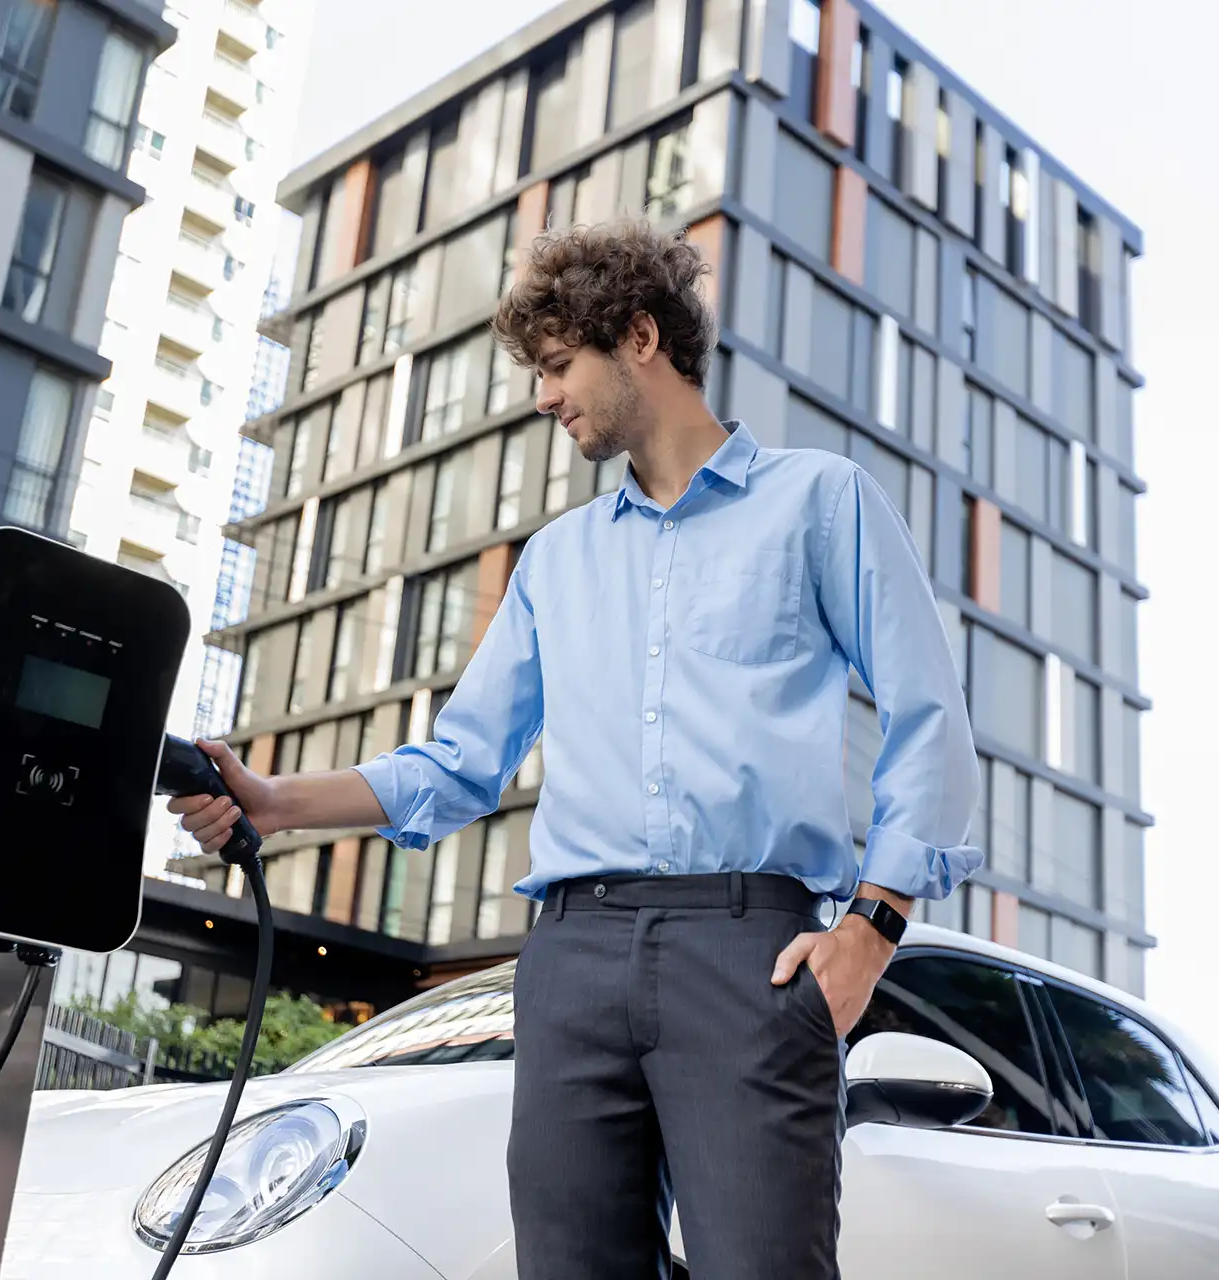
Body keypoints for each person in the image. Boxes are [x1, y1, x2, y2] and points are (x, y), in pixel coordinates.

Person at [169, 218, 982, 1279]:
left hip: (750, 955)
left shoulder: (819, 502)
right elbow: (458, 762)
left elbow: (931, 718)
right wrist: (274, 800)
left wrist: (872, 928)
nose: (545, 396)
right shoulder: (556, 562)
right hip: (572, 960)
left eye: (558, 367)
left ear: (640, 336)